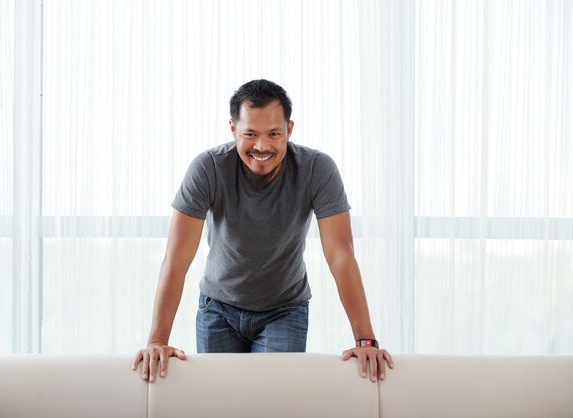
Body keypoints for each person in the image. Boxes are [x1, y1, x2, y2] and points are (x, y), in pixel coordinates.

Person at [132, 79, 393, 383]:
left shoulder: (317, 169)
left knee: (273, 402)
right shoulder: (208, 168)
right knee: (221, 404)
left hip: (284, 310)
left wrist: (365, 341)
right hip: (218, 309)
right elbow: (176, 259)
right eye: (250, 134)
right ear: (233, 129)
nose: (262, 146)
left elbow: (341, 256)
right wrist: (156, 341)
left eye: (274, 134)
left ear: (290, 130)